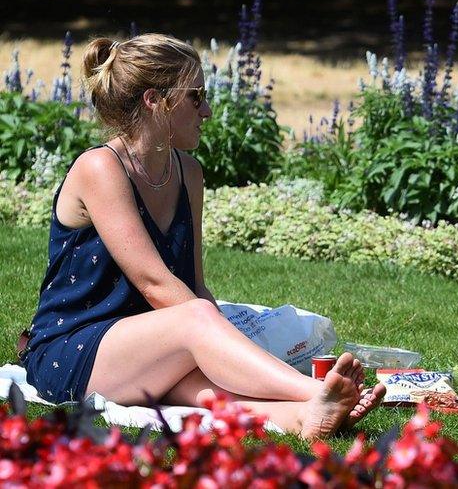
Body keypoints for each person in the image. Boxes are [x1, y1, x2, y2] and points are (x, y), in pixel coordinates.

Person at [20, 33, 385, 439]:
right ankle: (313, 392)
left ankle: (300, 417)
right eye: (196, 97)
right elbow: (156, 284)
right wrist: (214, 334)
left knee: (196, 379)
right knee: (197, 323)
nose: (207, 111)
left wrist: (223, 349)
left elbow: (193, 286)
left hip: (146, 343)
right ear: (154, 101)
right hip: (71, 350)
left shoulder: (188, 174)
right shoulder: (100, 168)